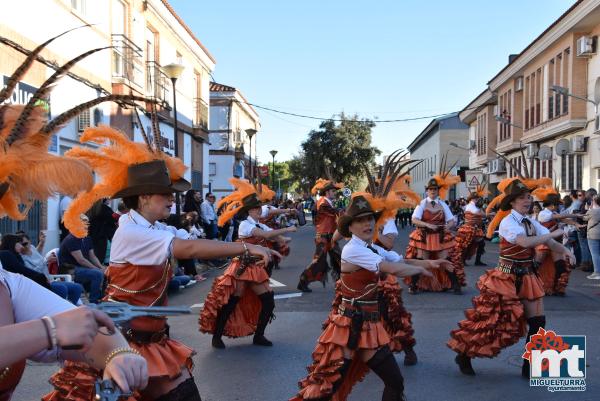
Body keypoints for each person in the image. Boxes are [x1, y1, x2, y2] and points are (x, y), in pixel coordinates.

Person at [54, 125, 276, 400]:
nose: (173, 199)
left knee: (184, 394)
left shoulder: (155, 228)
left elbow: (190, 240)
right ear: (144, 197)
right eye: (165, 194)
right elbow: (190, 248)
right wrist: (246, 246)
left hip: (149, 340)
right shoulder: (133, 232)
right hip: (122, 341)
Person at [0, 35, 148, 399]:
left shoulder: (7, 284)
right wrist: (49, 330)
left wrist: (117, 353)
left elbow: (84, 326)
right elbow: (59, 325)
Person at [290, 194, 449, 401]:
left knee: (395, 382)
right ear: (351, 226)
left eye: (370, 219)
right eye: (360, 220)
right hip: (348, 328)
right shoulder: (354, 249)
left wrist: (429, 264)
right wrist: (420, 272)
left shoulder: (370, 247)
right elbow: (390, 268)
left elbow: (400, 260)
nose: (367, 224)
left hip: (369, 326)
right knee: (328, 387)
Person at [448, 178, 575, 377]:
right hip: (505, 278)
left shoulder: (531, 221)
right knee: (491, 322)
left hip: (527, 275)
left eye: (528, 197)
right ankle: (464, 354)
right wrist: (553, 234)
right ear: (513, 202)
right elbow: (524, 242)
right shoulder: (508, 222)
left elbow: (550, 244)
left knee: (538, 322)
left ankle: (528, 367)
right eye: (522, 198)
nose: (527, 201)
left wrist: (566, 251)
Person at [200, 179, 293, 348]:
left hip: (255, 268)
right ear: (249, 211)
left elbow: (268, 236)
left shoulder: (257, 223)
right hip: (243, 267)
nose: (259, 210)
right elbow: (264, 237)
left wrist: (277, 246)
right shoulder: (245, 225)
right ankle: (217, 336)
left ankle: (259, 336)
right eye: (256, 208)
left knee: (268, 300)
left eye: (259, 208)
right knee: (232, 301)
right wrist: (286, 230)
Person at [404, 168, 462, 294]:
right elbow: (414, 219)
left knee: (445, 259)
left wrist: (449, 226)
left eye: (435, 189)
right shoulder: (422, 204)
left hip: (440, 236)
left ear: (438, 191)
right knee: (421, 260)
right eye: (430, 189)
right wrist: (427, 225)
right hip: (424, 235)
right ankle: (413, 284)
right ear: (427, 190)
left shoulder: (443, 204)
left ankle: (455, 284)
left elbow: (451, 220)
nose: (432, 191)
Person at [297, 178, 344, 292]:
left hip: (330, 236)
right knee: (318, 261)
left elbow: (334, 212)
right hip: (323, 237)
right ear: (327, 192)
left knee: (339, 259)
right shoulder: (323, 202)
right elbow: (331, 211)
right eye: (333, 191)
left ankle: (342, 283)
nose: (334, 193)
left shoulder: (328, 201)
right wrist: (344, 211)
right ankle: (303, 281)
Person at [19, 234, 83, 305]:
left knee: (77, 287)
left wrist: (41, 243)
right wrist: (45, 261)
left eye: (25, 244)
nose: (23, 247)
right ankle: (60, 309)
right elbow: (33, 272)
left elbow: (37, 254)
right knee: (62, 288)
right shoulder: (21, 258)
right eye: (21, 244)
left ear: (30, 242)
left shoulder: (32, 248)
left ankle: (71, 307)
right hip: (40, 283)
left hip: (49, 279)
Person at [58, 218, 105, 304]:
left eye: (87, 224)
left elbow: (92, 256)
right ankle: (93, 301)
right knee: (97, 273)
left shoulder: (87, 238)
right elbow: (81, 260)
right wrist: (97, 269)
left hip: (80, 267)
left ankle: (101, 296)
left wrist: (102, 267)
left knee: (105, 271)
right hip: (70, 269)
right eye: (84, 225)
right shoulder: (71, 239)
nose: (87, 226)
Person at [454, 183, 487, 269]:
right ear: (472, 199)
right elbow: (480, 214)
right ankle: (463, 260)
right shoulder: (471, 206)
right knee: (466, 244)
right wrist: (489, 214)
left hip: (475, 228)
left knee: (480, 243)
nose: (477, 199)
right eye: (475, 198)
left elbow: (479, 213)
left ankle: (476, 261)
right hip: (469, 228)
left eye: (477, 198)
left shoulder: (472, 206)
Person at [584, 195, 600, 279]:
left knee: (595, 254)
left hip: (593, 235)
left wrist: (588, 209)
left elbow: (584, 218)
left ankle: (597, 273)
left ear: (594, 201)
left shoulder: (592, 211)